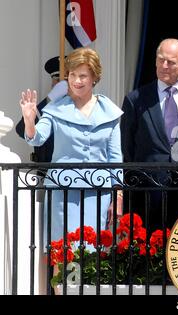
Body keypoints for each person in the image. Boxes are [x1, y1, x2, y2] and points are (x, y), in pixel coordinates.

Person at [19, 47, 123, 243]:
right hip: (62, 190)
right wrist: (29, 120)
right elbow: (37, 138)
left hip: (97, 192)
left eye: (83, 76)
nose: (76, 81)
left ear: (94, 77)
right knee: (63, 249)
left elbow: (115, 158)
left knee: (92, 252)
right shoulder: (56, 108)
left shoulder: (109, 111)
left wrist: (117, 197)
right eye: (72, 75)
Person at [120, 38, 178, 228]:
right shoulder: (135, 99)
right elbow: (126, 146)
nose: (164, 65)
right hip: (146, 190)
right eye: (160, 59)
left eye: (171, 62)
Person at [15, 56, 68, 162]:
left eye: (66, 81)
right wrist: (49, 100)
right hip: (45, 171)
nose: (62, 85)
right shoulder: (46, 107)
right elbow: (21, 130)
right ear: (53, 83)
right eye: (58, 80)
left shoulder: (82, 106)